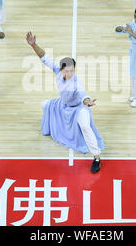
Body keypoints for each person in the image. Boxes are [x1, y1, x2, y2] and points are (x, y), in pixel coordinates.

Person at [25, 31, 104, 173]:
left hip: (79, 108)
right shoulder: (57, 70)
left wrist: (88, 102)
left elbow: (83, 95)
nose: (69, 73)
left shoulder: (76, 83)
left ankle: (97, 157)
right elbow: (44, 57)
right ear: (61, 69)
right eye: (67, 71)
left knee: (85, 127)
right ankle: (52, 117)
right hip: (63, 105)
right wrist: (33, 45)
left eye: (72, 70)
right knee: (45, 105)